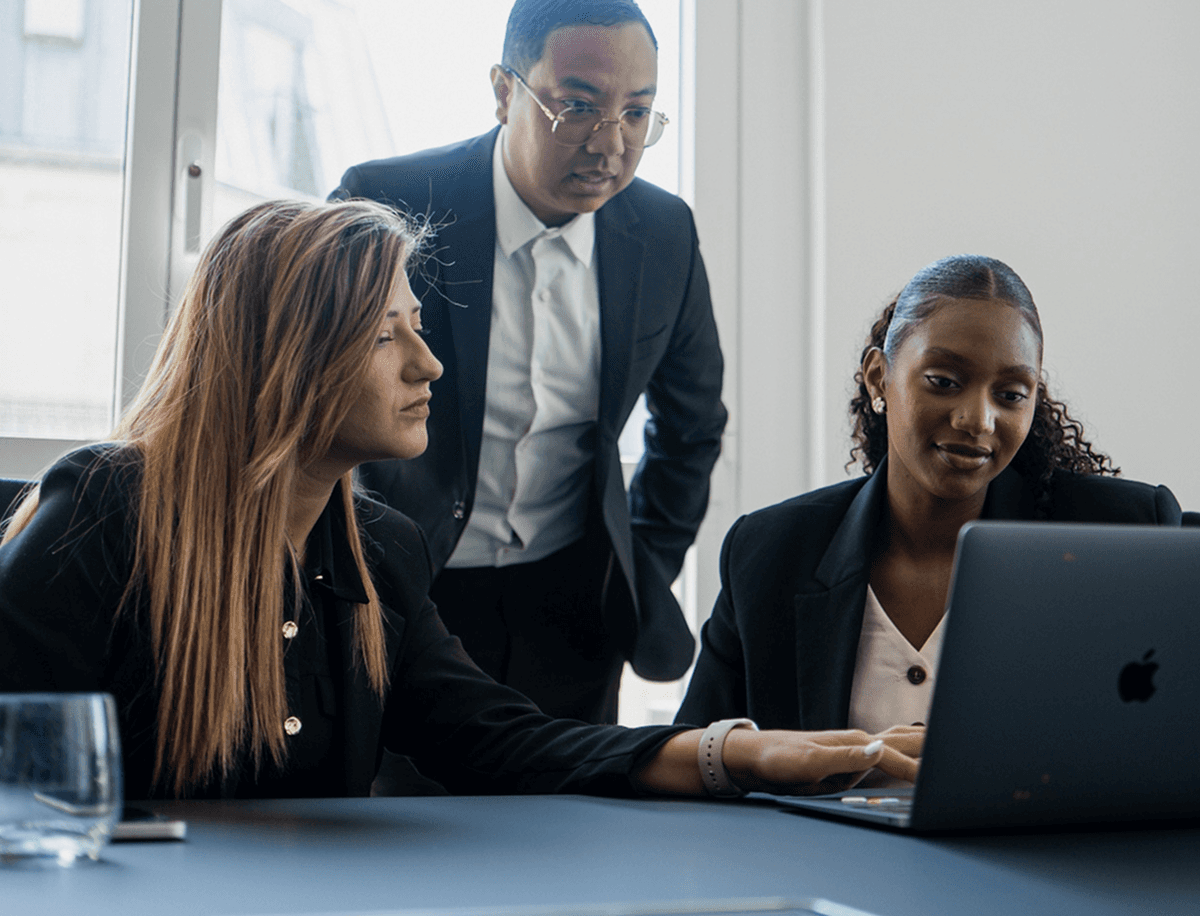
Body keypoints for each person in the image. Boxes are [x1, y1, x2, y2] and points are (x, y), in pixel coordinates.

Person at [0, 199, 918, 801]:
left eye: (420, 326)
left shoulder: (377, 550)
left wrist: (740, 752)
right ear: (287, 358)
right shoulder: (103, 513)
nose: (427, 363)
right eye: (382, 336)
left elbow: (497, 739)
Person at [332, 0, 726, 724]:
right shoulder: (387, 202)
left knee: (569, 826)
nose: (611, 144)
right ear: (505, 91)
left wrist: (638, 568)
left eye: (637, 113)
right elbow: (318, 402)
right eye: (577, 106)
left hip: (574, 607)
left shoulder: (663, 233)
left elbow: (692, 424)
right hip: (405, 590)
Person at [677, 254, 1182, 733]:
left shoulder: (1124, 533)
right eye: (943, 381)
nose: (977, 420)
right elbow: (693, 755)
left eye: (1010, 395)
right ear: (879, 378)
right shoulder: (771, 552)